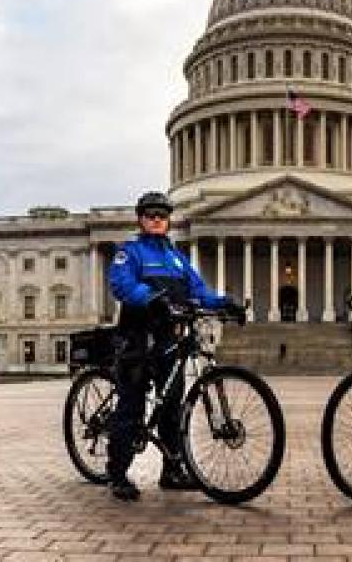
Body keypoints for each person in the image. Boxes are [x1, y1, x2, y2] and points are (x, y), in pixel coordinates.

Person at [103, 191, 242, 501]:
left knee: (172, 406)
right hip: (138, 337)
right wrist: (151, 299)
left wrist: (223, 303)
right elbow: (122, 284)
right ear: (141, 219)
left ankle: (172, 469)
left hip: (169, 338)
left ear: (168, 221)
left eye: (162, 215)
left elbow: (198, 290)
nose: (156, 219)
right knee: (131, 406)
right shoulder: (131, 252)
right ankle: (117, 473)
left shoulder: (177, 258)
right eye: (151, 214)